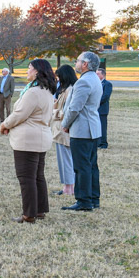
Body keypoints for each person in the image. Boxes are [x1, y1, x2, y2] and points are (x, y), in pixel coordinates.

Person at [0, 59, 56, 223]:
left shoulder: (33, 92)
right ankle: (39, 210)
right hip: (41, 137)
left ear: (37, 71)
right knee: (38, 176)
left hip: (28, 140)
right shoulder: (47, 91)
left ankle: (29, 214)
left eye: (29, 68)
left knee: (26, 178)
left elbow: (19, 114)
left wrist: (4, 124)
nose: (26, 71)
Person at [61, 51, 103, 212]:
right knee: (91, 165)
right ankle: (93, 198)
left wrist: (65, 124)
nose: (76, 63)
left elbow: (74, 108)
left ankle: (84, 201)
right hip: (92, 129)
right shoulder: (94, 79)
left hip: (82, 130)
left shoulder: (83, 82)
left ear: (85, 64)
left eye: (77, 60)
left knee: (81, 166)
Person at [51, 65, 78, 196]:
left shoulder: (70, 90)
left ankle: (69, 188)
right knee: (63, 160)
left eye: (59, 76)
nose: (58, 79)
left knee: (66, 160)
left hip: (64, 130)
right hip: (58, 130)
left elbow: (67, 112)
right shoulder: (64, 89)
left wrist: (54, 111)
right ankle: (67, 186)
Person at [96, 68, 113, 149]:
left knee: (102, 127)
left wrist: (95, 102)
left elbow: (105, 96)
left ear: (103, 75)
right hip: (95, 110)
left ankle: (103, 144)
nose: (96, 75)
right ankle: (97, 142)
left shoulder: (107, 84)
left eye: (98, 74)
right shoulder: (95, 83)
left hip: (102, 109)